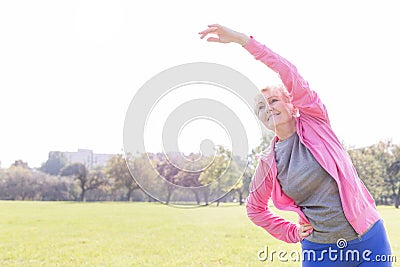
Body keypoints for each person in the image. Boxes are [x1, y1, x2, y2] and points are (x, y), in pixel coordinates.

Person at [199, 24, 392, 266]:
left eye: (273, 100)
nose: (267, 107)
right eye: (260, 107)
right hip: (321, 252)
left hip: (369, 241)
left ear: (291, 104)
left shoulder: (316, 122)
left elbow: (287, 71)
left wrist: (242, 41)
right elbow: (255, 209)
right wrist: (290, 232)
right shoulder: (269, 163)